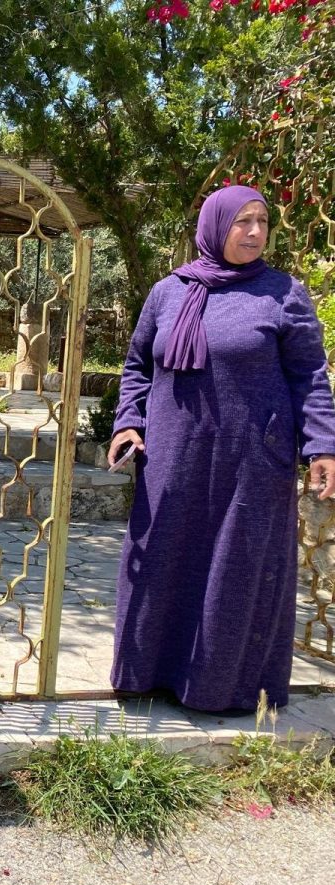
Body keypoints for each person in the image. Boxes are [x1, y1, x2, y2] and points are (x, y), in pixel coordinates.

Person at [107, 184, 335, 713]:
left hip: (251, 461)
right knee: (164, 559)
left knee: (235, 570)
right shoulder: (170, 291)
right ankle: (148, 676)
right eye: (243, 222)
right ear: (214, 227)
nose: (255, 233)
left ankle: (221, 690)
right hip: (174, 456)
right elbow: (139, 365)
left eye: (263, 221)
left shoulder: (284, 294)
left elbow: (310, 377)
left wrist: (322, 445)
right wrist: (128, 423)